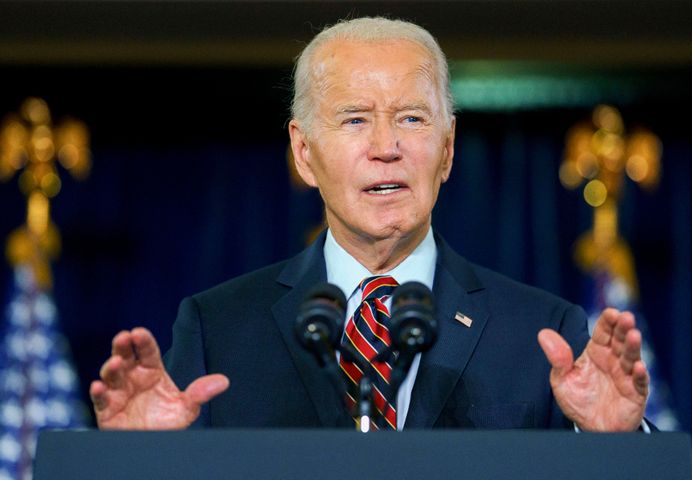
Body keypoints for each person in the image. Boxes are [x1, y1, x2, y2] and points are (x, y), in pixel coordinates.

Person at [90, 17, 649, 432]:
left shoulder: (543, 331)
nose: (387, 148)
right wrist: (136, 460)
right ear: (304, 153)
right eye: (355, 120)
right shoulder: (217, 328)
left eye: (412, 118)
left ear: (448, 149)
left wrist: (616, 444)